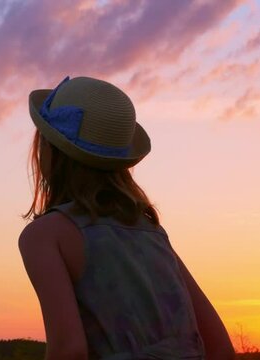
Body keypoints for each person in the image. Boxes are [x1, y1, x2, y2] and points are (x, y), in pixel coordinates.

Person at [19, 77, 234, 359]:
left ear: (48, 152)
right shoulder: (154, 233)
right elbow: (220, 348)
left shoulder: (45, 236)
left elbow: (68, 350)